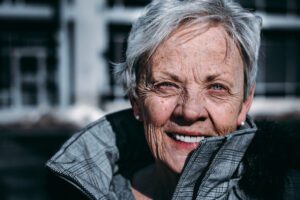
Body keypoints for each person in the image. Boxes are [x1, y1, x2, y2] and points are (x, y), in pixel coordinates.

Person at [46, 0, 300, 199]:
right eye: (167, 85)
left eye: (217, 87)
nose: (190, 111)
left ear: (245, 103)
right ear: (136, 98)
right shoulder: (76, 192)